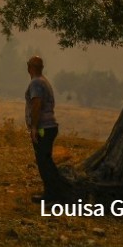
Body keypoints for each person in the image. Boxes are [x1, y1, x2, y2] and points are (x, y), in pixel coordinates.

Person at [25, 55, 72, 203]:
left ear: (29, 68)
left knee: (44, 163)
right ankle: (55, 193)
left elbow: (36, 104)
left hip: (43, 128)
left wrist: (34, 127)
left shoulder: (36, 83)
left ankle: (53, 196)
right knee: (46, 161)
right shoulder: (43, 81)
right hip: (49, 127)